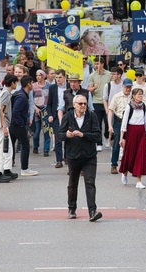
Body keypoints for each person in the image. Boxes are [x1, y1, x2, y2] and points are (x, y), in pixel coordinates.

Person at [58, 94, 103, 222]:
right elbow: (60, 135)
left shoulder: (92, 116)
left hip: (89, 156)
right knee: (73, 183)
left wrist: (83, 135)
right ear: (74, 105)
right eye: (80, 104)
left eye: (85, 103)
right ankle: (71, 209)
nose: (83, 106)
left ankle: (92, 211)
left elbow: (98, 136)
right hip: (73, 156)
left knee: (90, 183)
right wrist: (66, 135)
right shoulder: (68, 117)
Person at [119, 88, 146, 188]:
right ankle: (124, 172)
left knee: (141, 155)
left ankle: (138, 181)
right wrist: (121, 138)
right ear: (133, 96)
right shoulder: (129, 107)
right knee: (130, 155)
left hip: (141, 132)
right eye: (138, 95)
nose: (140, 97)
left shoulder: (144, 106)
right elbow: (124, 123)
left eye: (141, 95)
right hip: (131, 132)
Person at [11, 76, 37, 177]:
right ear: (28, 84)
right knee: (25, 145)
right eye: (32, 82)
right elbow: (15, 111)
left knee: (9, 145)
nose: (33, 84)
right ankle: (24, 168)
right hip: (18, 125)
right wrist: (21, 123)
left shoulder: (22, 94)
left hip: (15, 124)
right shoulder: (22, 96)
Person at [108, 78, 133, 174]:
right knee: (117, 143)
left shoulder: (132, 97)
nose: (128, 89)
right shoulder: (117, 97)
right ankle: (114, 164)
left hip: (130, 122)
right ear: (123, 86)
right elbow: (111, 111)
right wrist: (110, 125)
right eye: (126, 87)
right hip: (119, 121)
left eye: (129, 87)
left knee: (130, 144)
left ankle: (128, 164)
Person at [46, 69, 68, 168]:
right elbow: (49, 103)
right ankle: (59, 160)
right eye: (57, 77)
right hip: (55, 116)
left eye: (60, 77)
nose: (58, 79)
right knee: (58, 137)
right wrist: (50, 115)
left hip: (68, 114)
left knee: (68, 137)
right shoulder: (53, 88)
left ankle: (67, 157)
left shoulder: (69, 87)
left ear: (64, 77)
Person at [87, 56, 111, 149]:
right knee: (97, 123)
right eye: (95, 64)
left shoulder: (108, 74)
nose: (96, 65)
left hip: (107, 102)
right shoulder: (92, 75)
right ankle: (99, 143)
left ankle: (106, 136)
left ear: (102, 64)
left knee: (107, 122)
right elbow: (89, 89)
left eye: (98, 64)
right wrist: (94, 87)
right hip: (96, 101)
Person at [31, 69, 51, 156]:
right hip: (36, 110)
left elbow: (51, 98)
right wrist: (35, 108)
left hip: (46, 110)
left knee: (46, 131)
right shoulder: (33, 86)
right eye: (37, 75)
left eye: (40, 75)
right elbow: (30, 99)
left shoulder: (49, 86)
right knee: (37, 130)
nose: (38, 77)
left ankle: (46, 149)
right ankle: (35, 146)